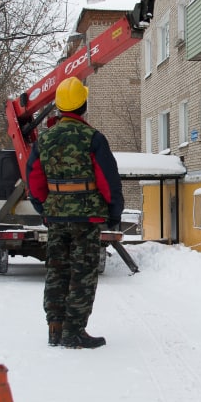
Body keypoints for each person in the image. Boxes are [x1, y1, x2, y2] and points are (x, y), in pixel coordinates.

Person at [26, 76, 124, 349]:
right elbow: (108, 180)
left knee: (57, 270)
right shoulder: (93, 138)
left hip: (57, 217)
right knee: (82, 273)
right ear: (83, 105)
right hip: (87, 219)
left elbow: (33, 180)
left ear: (58, 107)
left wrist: (45, 208)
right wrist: (115, 212)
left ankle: (55, 328)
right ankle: (74, 331)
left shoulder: (44, 140)